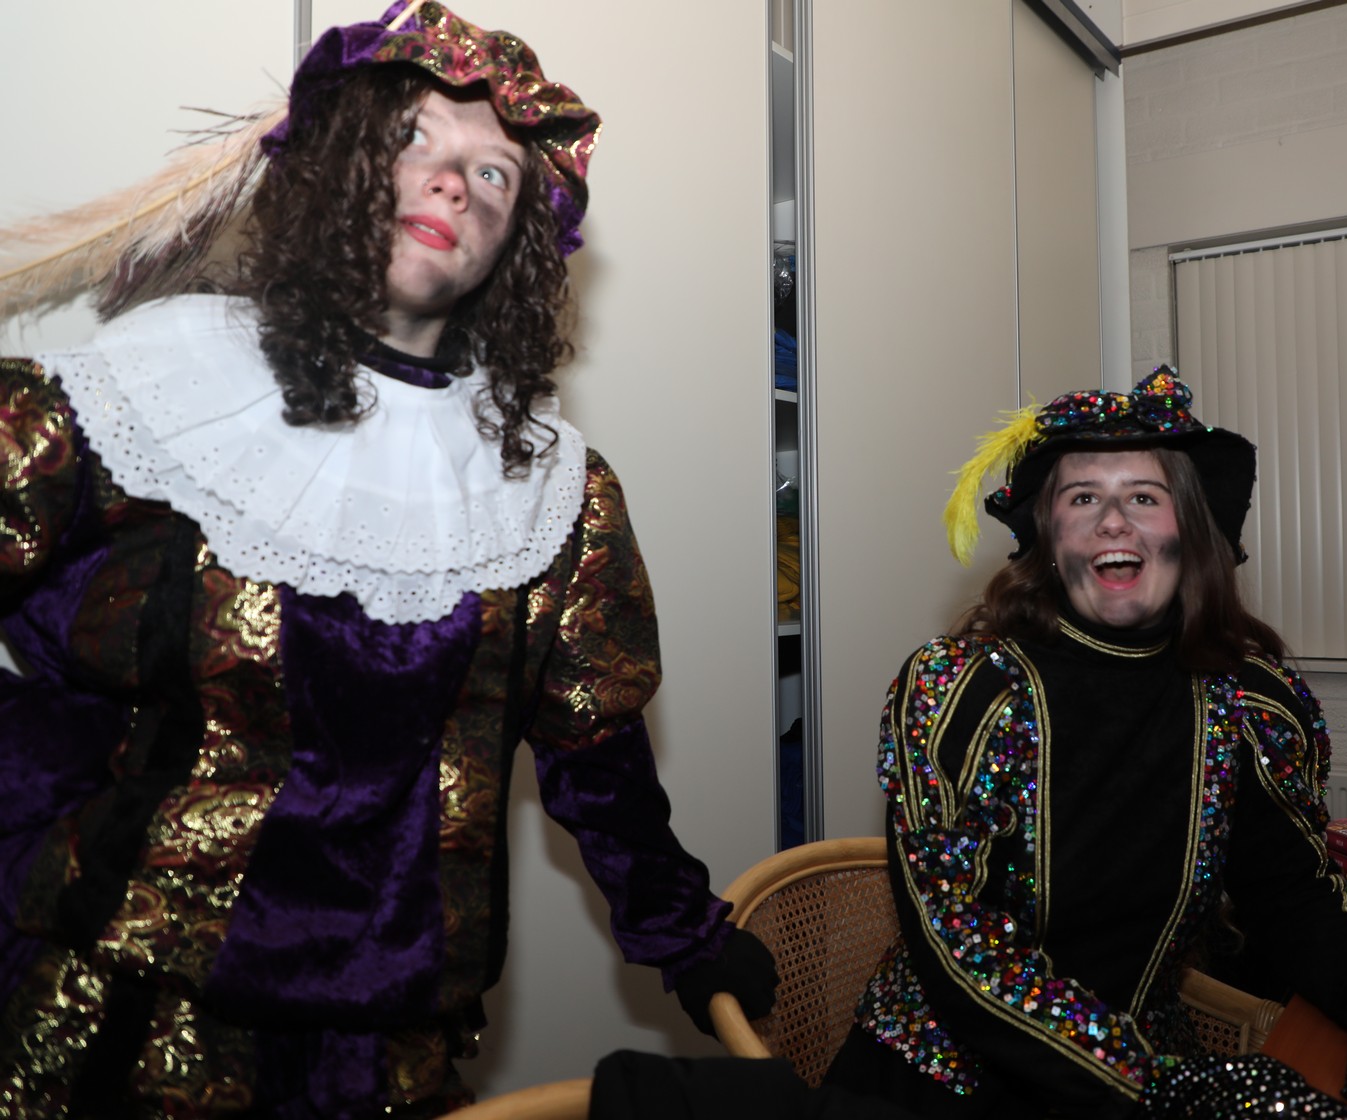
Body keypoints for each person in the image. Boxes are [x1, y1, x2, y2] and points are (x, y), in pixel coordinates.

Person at [0, 4, 774, 1116]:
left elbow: (597, 761)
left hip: (385, 1040)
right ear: (343, 169)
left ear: (513, 243)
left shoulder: (554, 490)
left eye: (495, 174)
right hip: (122, 1000)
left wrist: (687, 939)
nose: (454, 182)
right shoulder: (154, 390)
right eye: (415, 139)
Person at [819, 370, 1347, 1120]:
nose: (1113, 521)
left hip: (1150, 1076)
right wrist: (1153, 1088)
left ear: (1188, 532)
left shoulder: (1245, 703)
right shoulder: (965, 691)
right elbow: (959, 939)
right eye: (1083, 498)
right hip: (948, 1087)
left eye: (1144, 497)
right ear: (1048, 538)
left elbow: (1293, 894)